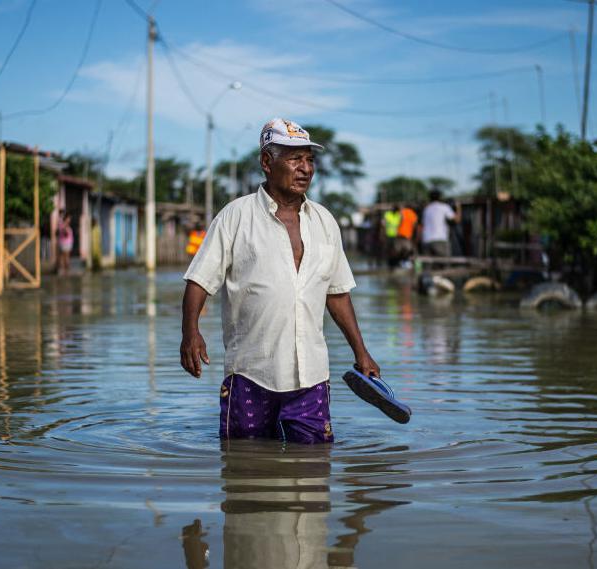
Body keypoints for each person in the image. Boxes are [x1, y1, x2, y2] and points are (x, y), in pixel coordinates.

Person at [180, 118, 380, 444]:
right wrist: (190, 332)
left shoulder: (325, 222)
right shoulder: (236, 216)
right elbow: (199, 281)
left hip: (311, 375)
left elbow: (338, 293)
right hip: (250, 372)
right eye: (294, 159)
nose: (305, 169)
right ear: (266, 163)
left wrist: (362, 353)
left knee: (314, 472)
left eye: (310, 160)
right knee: (243, 467)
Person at [420, 190, 459, 257]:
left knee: (428, 266)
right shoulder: (444, 207)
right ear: (440, 197)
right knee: (443, 264)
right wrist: (458, 207)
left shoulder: (426, 209)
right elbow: (457, 220)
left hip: (426, 240)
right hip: (440, 240)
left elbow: (422, 225)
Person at [57, 210, 73, 275]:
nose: (70, 220)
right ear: (66, 218)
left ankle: (64, 271)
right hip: (65, 243)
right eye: (69, 218)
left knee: (65, 257)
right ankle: (65, 272)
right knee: (65, 258)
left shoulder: (63, 224)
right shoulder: (64, 224)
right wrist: (65, 230)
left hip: (66, 243)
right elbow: (65, 233)